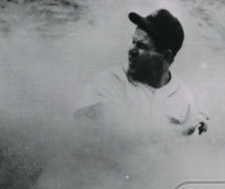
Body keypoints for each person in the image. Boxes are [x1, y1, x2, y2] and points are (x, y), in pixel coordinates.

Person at [74, 9, 208, 138]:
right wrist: (180, 130)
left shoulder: (184, 98)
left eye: (142, 46)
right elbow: (108, 137)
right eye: (133, 42)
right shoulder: (108, 81)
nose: (131, 50)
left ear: (166, 56)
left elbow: (183, 151)